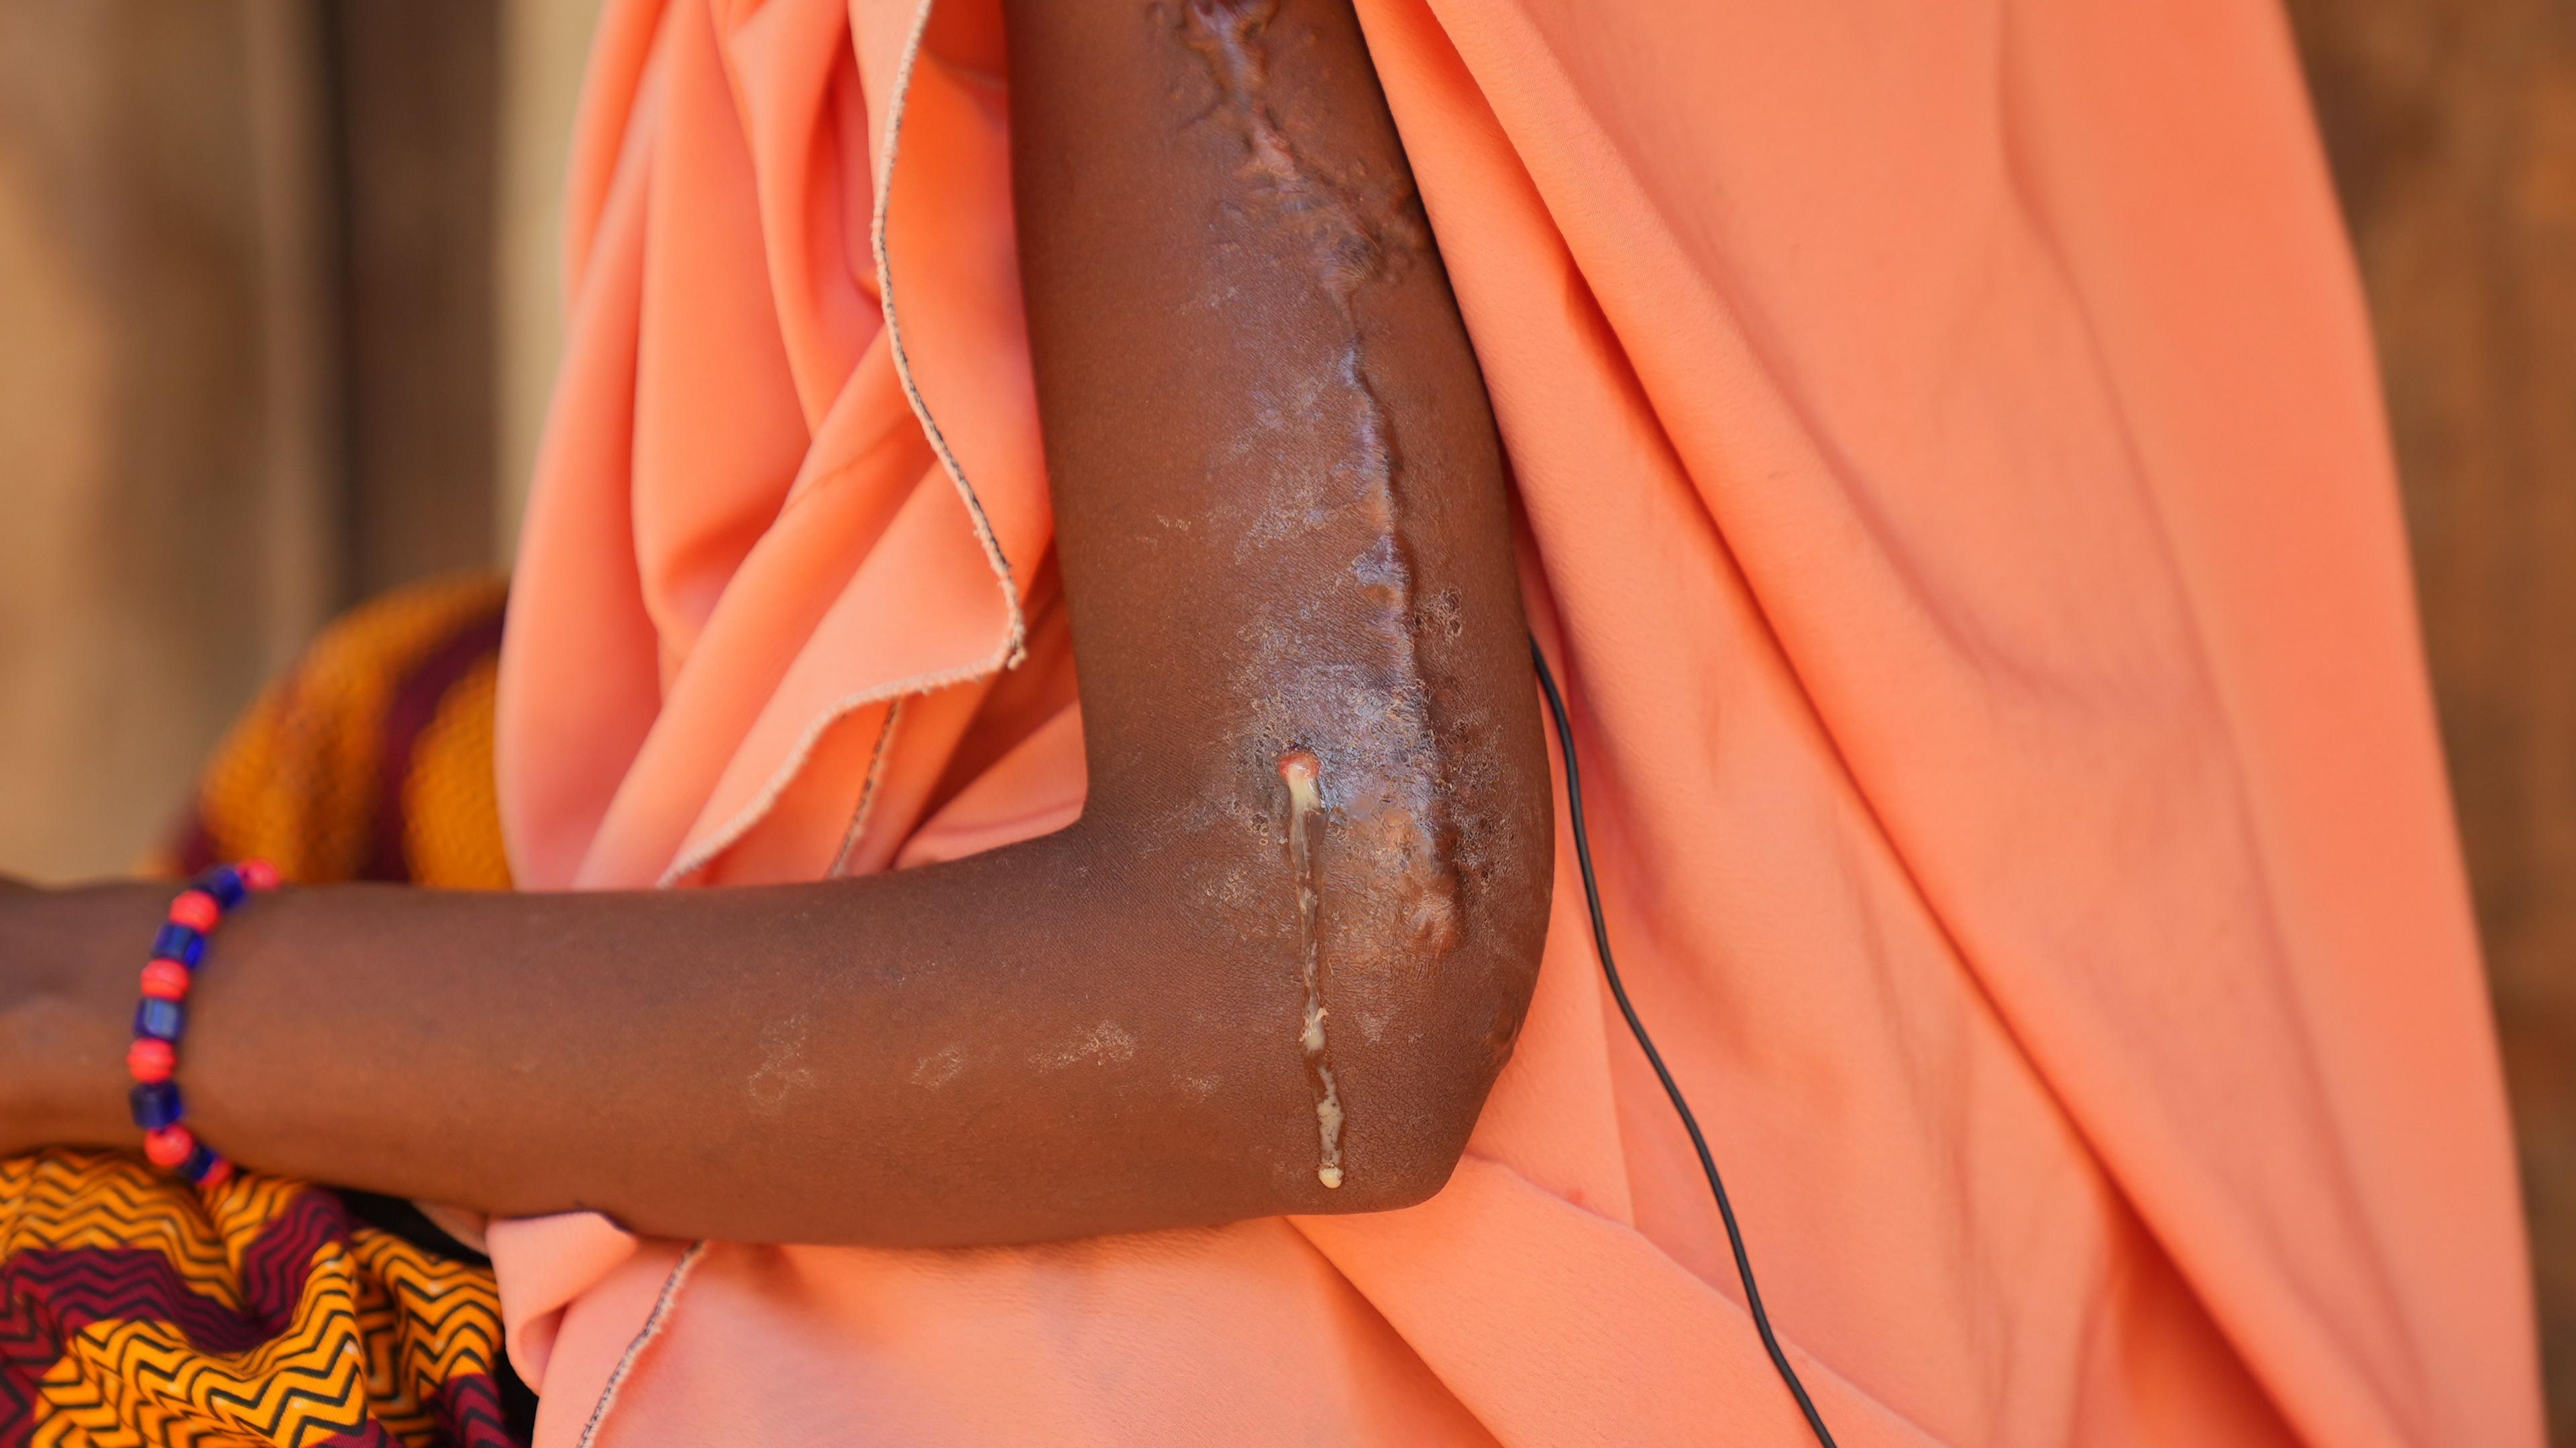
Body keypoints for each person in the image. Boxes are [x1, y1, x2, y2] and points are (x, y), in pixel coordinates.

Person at [0, 1, 2546, 1445]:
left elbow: (1327, 973)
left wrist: (97, 986)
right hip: (2090, 1124)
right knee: (386, 734)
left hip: (1578, 1305)